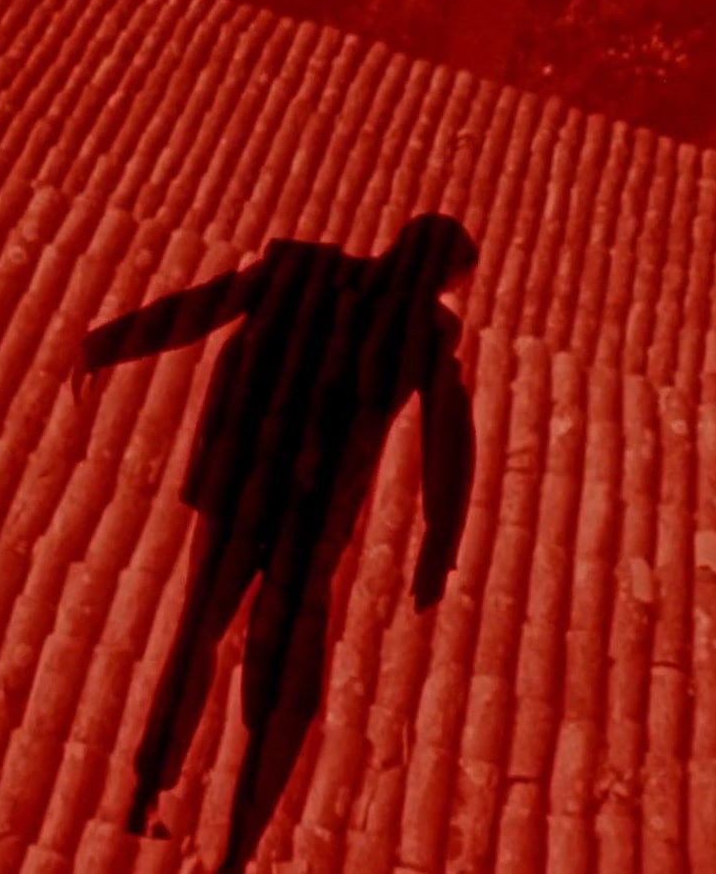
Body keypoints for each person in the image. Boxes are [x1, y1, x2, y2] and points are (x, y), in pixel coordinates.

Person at [72, 213, 479, 870]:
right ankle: (236, 850)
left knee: (198, 633)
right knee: (285, 688)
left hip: (236, 489)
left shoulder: (299, 267)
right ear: (445, 277)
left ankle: (146, 794)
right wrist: (439, 545)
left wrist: (105, 345)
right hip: (308, 526)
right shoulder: (426, 332)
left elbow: (202, 307)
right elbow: (450, 436)